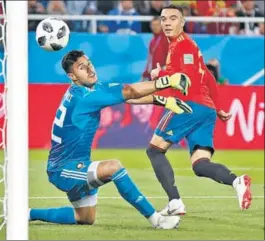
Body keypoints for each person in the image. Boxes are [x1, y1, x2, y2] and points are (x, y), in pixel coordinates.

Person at [29, 50, 192, 229]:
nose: (90, 69)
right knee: (114, 168)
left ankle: (27, 213)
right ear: (72, 76)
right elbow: (129, 91)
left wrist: (164, 101)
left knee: (85, 218)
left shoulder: (89, 89)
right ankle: (157, 220)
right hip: (62, 170)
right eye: (82, 68)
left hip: (78, 164)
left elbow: (127, 98)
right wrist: (167, 81)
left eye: (89, 63)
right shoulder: (83, 97)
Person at [146, 4, 252, 216]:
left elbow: (184, 79)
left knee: (154, 150)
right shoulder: (187, 46)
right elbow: (208, 77)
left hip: (188, 105)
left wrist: (159, 76)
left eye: (173, 18)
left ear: (183, 22)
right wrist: (219, 107)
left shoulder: (183, 46)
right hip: (206, 110)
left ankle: (175, 201)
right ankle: (236, 181)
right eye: (164, 18)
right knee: (200, 164)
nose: (167, 22)